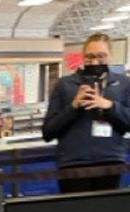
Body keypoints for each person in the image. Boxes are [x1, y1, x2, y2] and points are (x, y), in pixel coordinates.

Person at [43, 33, 130, 194]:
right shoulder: (65, 85)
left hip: (110, 161)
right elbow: (48, 131)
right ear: (83, 57)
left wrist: (110, 106)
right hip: (73, 163)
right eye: (90, 57)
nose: (95, 61)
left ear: (110, 56)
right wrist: (74, 106)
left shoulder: (124, 84)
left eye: (101, 56)